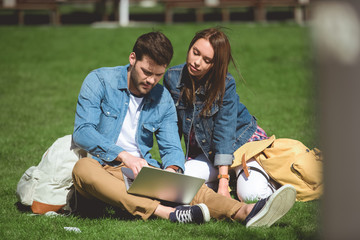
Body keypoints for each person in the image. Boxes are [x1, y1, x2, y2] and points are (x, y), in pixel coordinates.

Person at [72, 31, 296, 227]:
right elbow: (82, 131)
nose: (151, 80)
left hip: (141, 173)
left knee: (190, 186)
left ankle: (244, 212)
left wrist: (171, 170)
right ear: (132, 59)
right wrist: (124, 156)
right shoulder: (100, 81)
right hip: (102, 168)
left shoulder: (162, 98)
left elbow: (171, 146)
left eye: (158, 75)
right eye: (146, 72)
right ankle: (168, 213)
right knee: (83, 168)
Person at [163, 28, 277, 201]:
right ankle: (229, 182)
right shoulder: (172, 77)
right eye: (195, 52)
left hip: (241, 143)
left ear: (214, 65)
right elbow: (171, 126)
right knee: (182, 183)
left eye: (206, 60)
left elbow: (225, 132)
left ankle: (274, 184)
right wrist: (172, 165)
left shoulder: (225, 84)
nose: (197, 62)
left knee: (250, 195)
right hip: (208, 152)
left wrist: (223, 181)